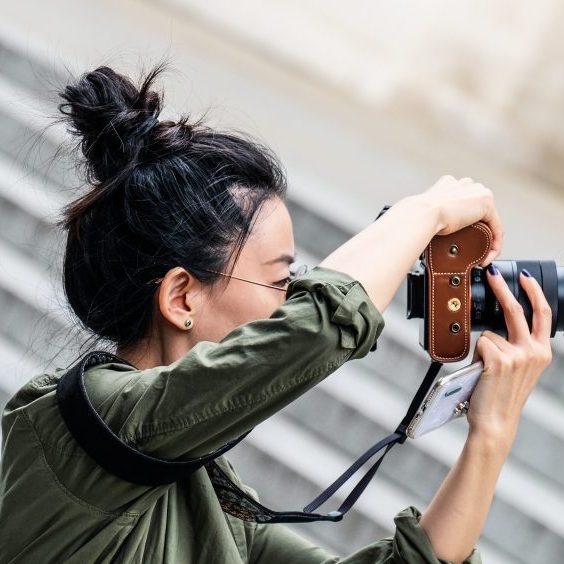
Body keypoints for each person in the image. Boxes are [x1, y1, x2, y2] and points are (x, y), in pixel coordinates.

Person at [0, 61, 553, 564]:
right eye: (282, 280)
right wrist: (423, 213)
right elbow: (314, 330)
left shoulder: (212, 504)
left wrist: (492, 433)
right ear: (182, 298)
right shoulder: (79, 426)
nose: (294, 299)